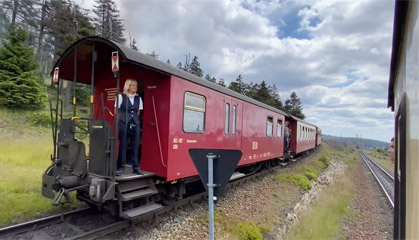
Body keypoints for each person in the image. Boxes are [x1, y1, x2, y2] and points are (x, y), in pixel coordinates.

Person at [115, 79, 143, 175]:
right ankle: (120, 167)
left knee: (135, 146)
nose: (135, 88)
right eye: (133, 86)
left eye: (135, 86)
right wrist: (122, 120)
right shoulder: (121, 97)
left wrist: (134, 119)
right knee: (123, 145)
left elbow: (138, 111)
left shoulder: (138, 98)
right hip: (124, 123)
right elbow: (116, 110)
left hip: (135, 123)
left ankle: (135, 167)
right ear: (128, 86)